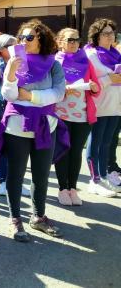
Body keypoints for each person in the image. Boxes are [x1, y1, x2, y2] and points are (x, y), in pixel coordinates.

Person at [0, 19, 67, 242]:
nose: (23, 42)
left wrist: (31, 97)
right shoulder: (13, 63)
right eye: (21, 38)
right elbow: (8, 95)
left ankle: (38, 217)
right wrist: (12, 73)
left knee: (41, 174)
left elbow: (59, 93)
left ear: (41, 39)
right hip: (17, 126)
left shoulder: (53, 64)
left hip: (45, 125)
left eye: (29, 37)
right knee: (15, 175)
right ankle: (15, 218)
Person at [54, 28, 101, 205]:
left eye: (76, 39)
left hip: (82, 115)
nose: (74, 43)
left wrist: (94, 88)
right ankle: (62, 189)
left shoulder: (86, 61)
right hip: (61, 114)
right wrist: (63, 89)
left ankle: (72, 189)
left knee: (75, 153)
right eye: (69, 40)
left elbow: (96, 86)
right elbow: (51, 87)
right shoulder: (54, 62)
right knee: (63, 152)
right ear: (60, 42)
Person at [84, 18, 121, 195]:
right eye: (105, 33)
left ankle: (104, 177)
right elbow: (91, 81)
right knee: (96, 142)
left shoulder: (116, 54)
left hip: (115, 106)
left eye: (111, 33)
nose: (109, 36)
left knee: (107, 143)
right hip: (98, 106)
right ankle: (94, 180)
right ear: (96, 36)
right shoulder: (90, 54)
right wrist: (110, 79)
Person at [0, 34, 31, 198]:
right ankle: (3, 181)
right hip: (2, 109)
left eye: (18, 45)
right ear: (1, 50)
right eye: (12, 46)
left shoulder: (25, 64)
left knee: (18, 149)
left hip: (20, 108)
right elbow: (1, 92)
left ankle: (17, 182)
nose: (18, 48)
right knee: (3, 147)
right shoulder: (0, 66)